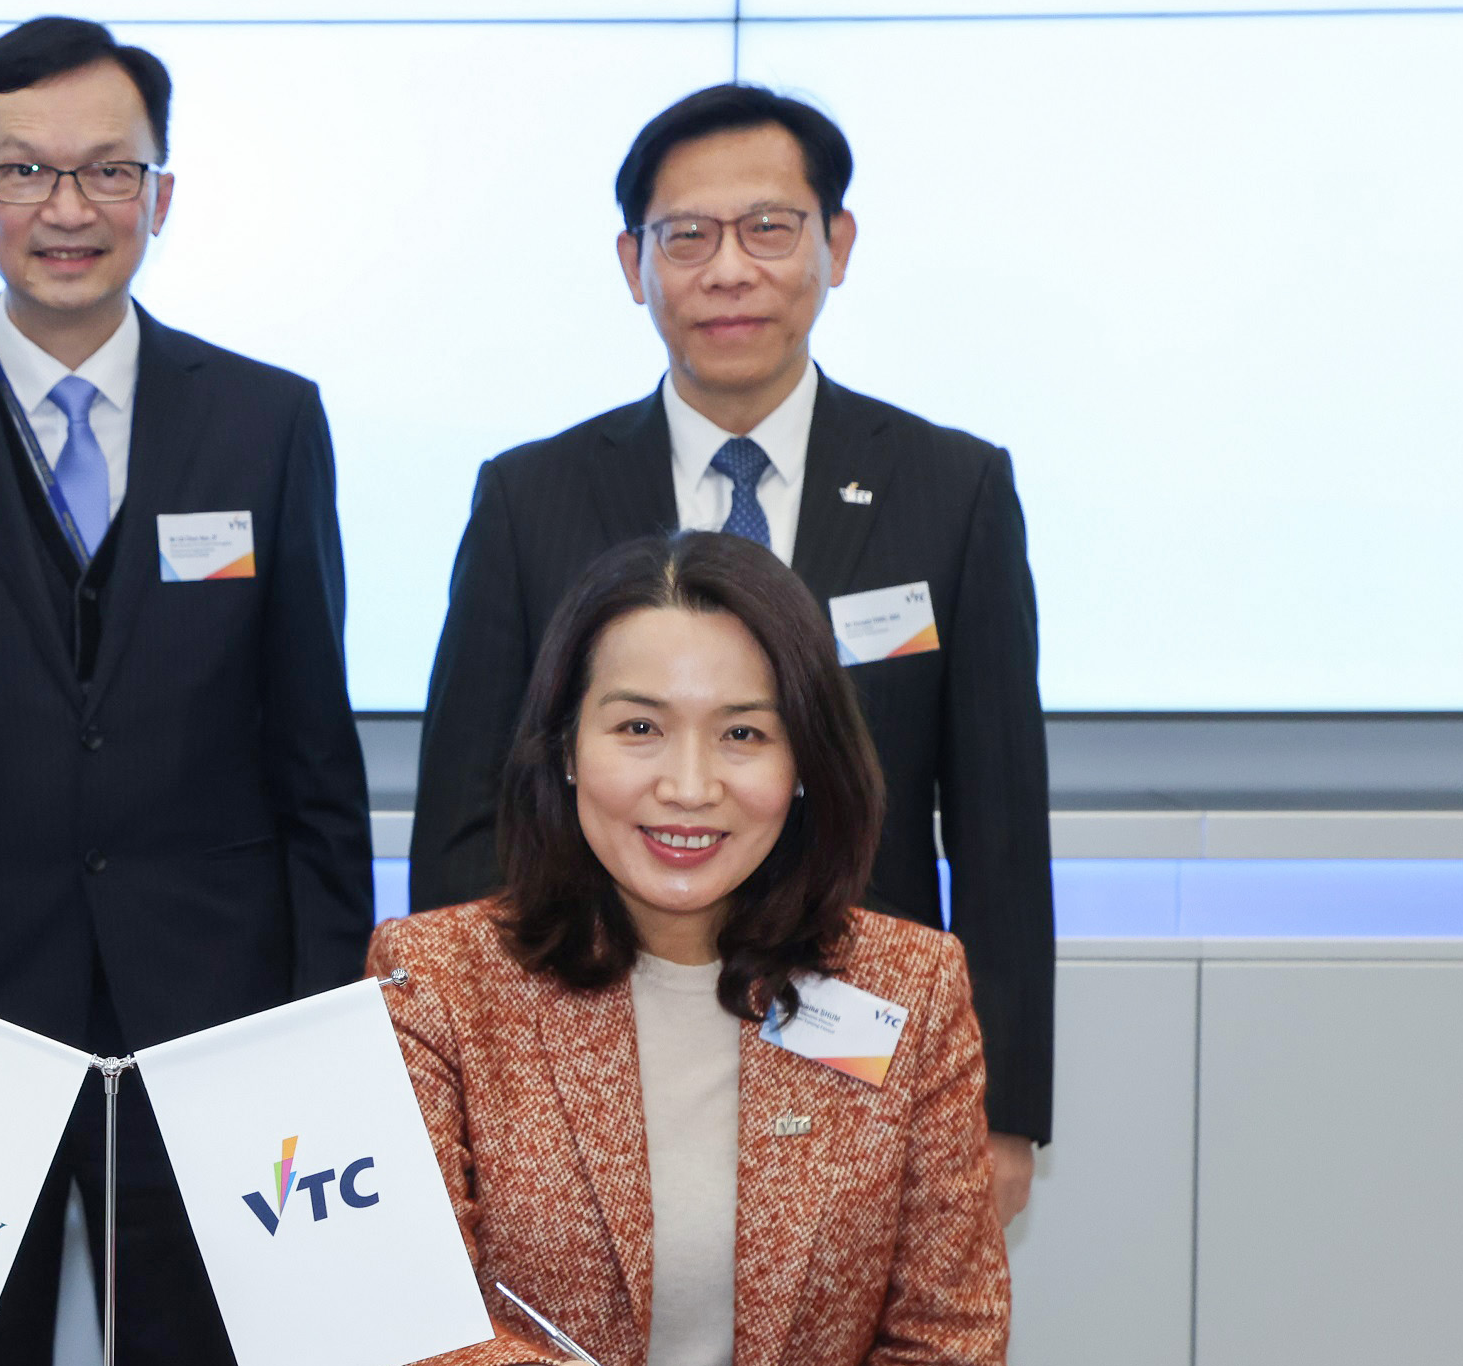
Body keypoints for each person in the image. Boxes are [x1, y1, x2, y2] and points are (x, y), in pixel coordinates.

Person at [0, 16, 371, 1366]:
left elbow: (314, 752)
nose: (68, 208)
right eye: (25, 171)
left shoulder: (267, 422)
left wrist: (325, 1022)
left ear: (160, 196)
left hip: (213, 1005)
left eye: (109, 170)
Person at [407, 83, 1052, 1219]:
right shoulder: (529, 496)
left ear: (836, 244)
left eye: (768, 228)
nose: (729, 270)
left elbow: (998, 827)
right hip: (587, 1034)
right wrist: (472, 1075)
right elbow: (467, 814)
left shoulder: (952, 489)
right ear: (633, 262)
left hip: (861, 1045)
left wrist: (1002, 1109)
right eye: (688, 236)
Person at [366, 532, 1010, 1366]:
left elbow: (948, 1351)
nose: (690, 786)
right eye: (639, 727)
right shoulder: (437, 975)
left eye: (743, 734)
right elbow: (400, 1307)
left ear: (804, 762)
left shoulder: (908, 983)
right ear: (566, 748)